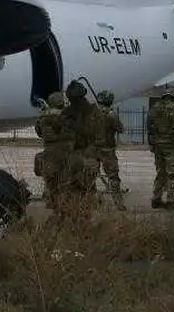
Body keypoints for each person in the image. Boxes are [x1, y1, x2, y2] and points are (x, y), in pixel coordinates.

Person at [54, 80, 100, 225]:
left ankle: (77, 219)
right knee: (79, 188)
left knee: (78, 187)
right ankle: (78, 218)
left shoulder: (86, 112)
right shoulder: (77, 111)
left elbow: (91, 132)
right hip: (79, 155)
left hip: (83, 155)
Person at [34, 91, 71, 210]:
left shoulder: (43, 117)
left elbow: (39, 132)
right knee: (64, 184)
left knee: (51, 184)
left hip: (48, 154)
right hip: (64, 154)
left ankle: (52, 206)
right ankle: (63, 211)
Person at [147, 91, 174, 209]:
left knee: (160, 172)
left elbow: (149, 126)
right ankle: (171, 199)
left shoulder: (155, 108)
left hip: (158, 144)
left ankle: (156, 198)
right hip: (171, 145)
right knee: (173, 173)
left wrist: (152, 142)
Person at [93, 89, 126, 211]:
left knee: (90, 176)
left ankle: (92, 201)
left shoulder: (91, 113)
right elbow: (121, 128)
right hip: (107, 150)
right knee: (113, 177)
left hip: (92, 149)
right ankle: (118, 203)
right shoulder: (112, 115)